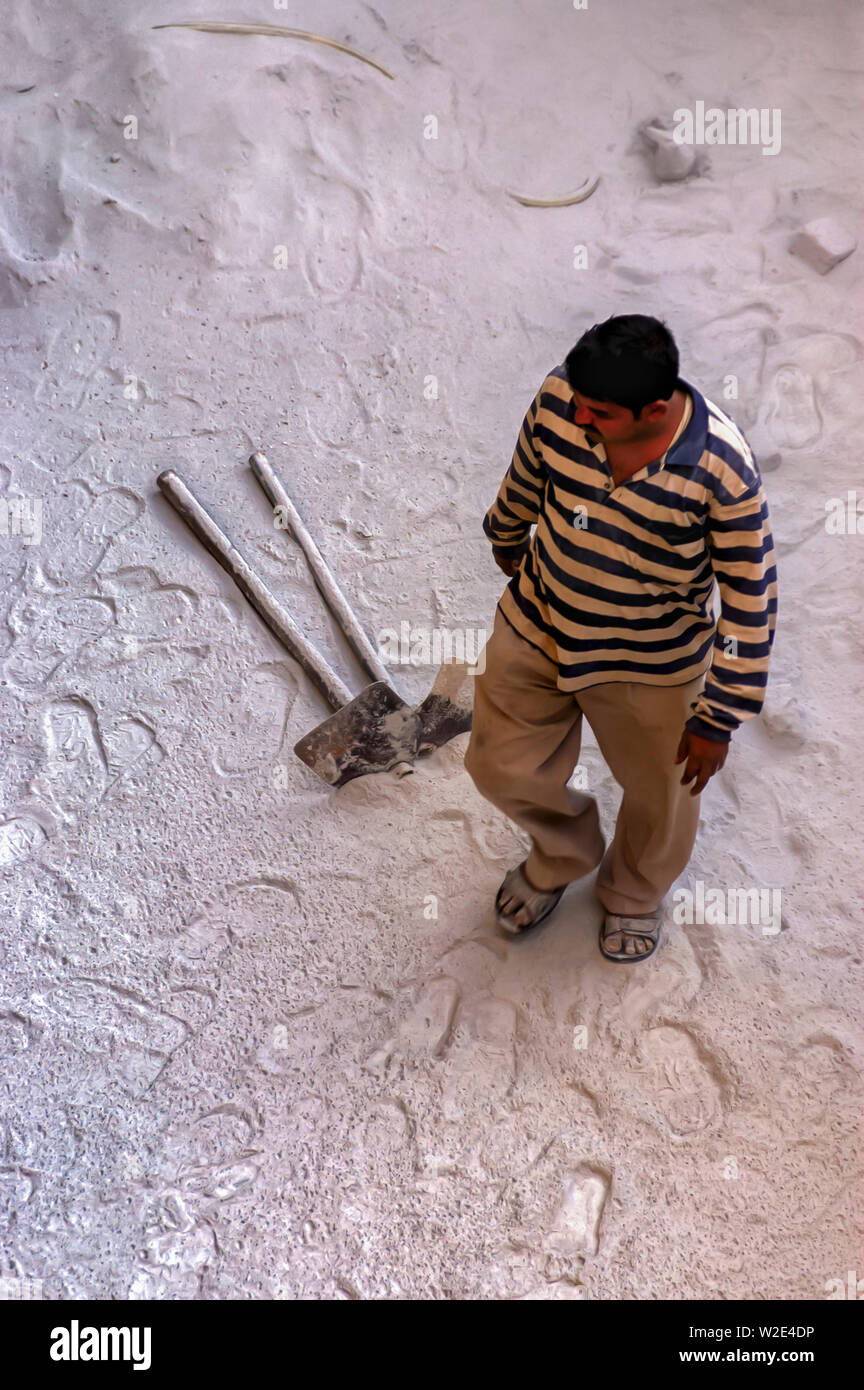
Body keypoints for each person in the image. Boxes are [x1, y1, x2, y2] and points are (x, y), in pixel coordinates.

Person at [465, 314, 778, 962]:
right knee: (499, 764)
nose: (578, 418)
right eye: (578, 404)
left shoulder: (722, 469)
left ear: (654, 409)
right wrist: (507, 532)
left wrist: (718, 716)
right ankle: (562, 852)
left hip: (652, 663)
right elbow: (525, 474)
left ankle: (633, 891)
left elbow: (751, 599)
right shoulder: (564, 397)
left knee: (664, 797)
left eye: (599, 413)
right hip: (540, 621)